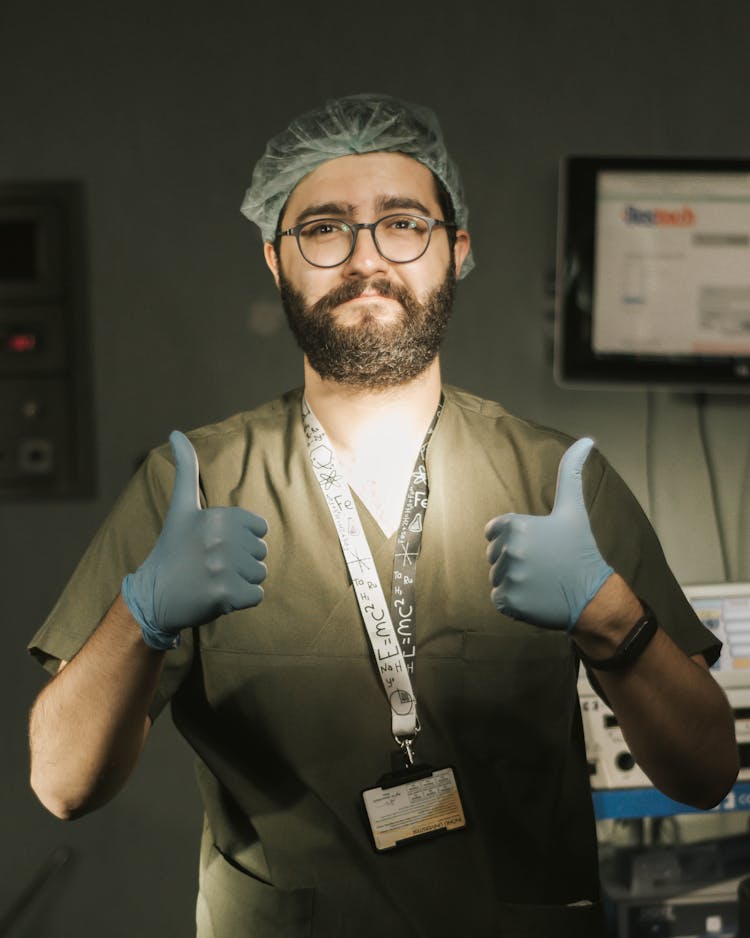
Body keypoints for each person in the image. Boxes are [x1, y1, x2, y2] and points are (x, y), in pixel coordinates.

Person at [28, 94, 738, 938]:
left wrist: (613, 622)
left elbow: (704, 772)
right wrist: (139, 617)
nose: (367, 259)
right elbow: (64, 785)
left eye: (403, 223)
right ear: (275, 259)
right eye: (325, 229)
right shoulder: (195, 485)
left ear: (454, 249)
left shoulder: (554, 481)